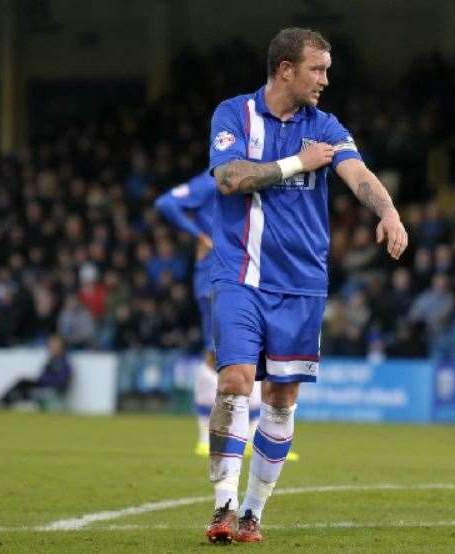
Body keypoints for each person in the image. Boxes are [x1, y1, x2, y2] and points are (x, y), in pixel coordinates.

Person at [203, 28, 408, 544]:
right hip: (240, 275)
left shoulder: (327, 126)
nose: (325, 80)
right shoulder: (234, 114)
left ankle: (253, 512)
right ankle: (224, 506)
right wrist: (298, 162)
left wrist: (388, 211)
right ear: (285, 69)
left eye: (327, 70)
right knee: (234, 382)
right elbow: (229, 179)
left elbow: (356, 172)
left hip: (300, 283)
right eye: (316, 70)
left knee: (282, 396)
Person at [155, 173, 272, 458]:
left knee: (252, 351)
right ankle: (205, 437)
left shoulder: (250, 181)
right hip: (214, 277)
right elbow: (166, 203)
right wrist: (200, 235)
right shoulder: (211, 182)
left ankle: (254, 435)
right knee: (214, 352)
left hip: (244, 275)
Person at [0, 335, 73, 407]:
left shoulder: (62, 362)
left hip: (52, 389)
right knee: (23, 383)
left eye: (54, 345)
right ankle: (3, 401)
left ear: (61, 347)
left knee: (25, 390)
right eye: (50, 344)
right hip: (45, 385)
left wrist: (44, 381)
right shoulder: (53, 360)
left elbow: (60, 381)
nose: (51, 347)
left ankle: (4, 402)